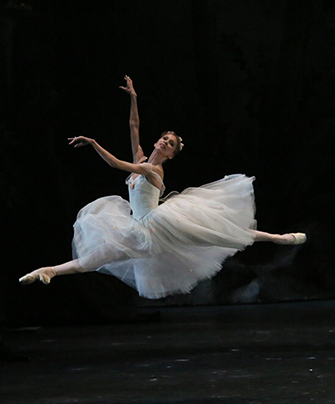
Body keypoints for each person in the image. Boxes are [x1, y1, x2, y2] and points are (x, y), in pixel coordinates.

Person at [19, 76, 306, 299]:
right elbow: (133, 127)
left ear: (170, 155)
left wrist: (93, 143)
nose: (164, 142)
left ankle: (278, 238)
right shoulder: (142, 158)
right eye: (164, 138)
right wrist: (134, 97)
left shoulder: (152, 169)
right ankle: (49, 271)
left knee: (220, 234)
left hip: (159, 225)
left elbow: (116, 164)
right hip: (136, 227)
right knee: (96, 258)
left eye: (169, 144)